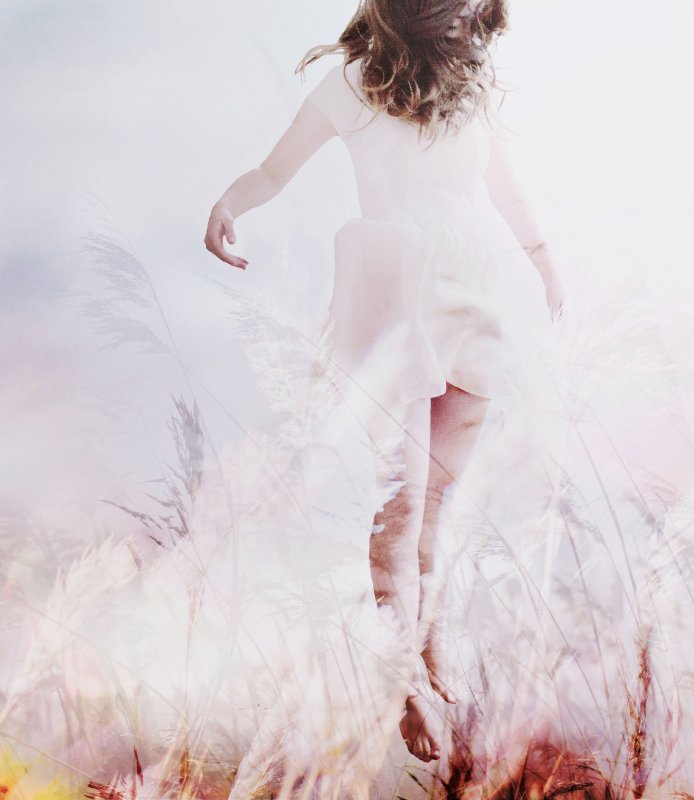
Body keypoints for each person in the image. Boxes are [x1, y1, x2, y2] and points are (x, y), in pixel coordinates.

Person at [204, 0, 565, 765]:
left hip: (474, 296)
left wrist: (543, 262)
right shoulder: (354, 84)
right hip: (395, 293)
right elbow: (275, 170)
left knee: (439, 512)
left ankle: (430, 652)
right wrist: (229, 203)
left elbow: (506, 189)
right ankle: (409, 686)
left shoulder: (472, 82)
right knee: (400, 509)